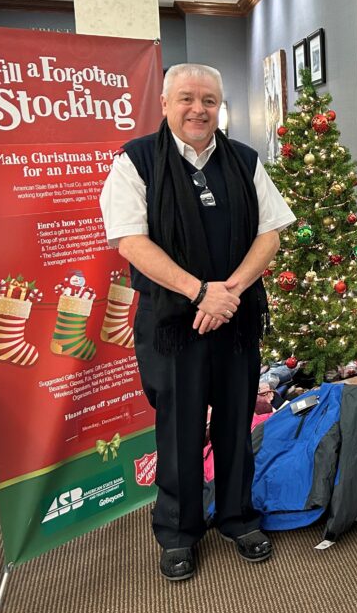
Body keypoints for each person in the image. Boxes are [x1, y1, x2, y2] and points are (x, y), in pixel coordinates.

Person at [100, 63, 294, 581]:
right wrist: (198, 292)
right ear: (164, 103)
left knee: (235, 421)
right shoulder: (136, 161)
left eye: (209, 100)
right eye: (186, 98)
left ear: (219, 108)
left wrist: (227, 293)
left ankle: (237, 517)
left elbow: (271, 234)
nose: (198, 109)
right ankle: (178, 532)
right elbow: (129, 240)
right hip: (172, 321)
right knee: (180, 428)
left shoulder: (245, 160)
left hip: (235, 317)